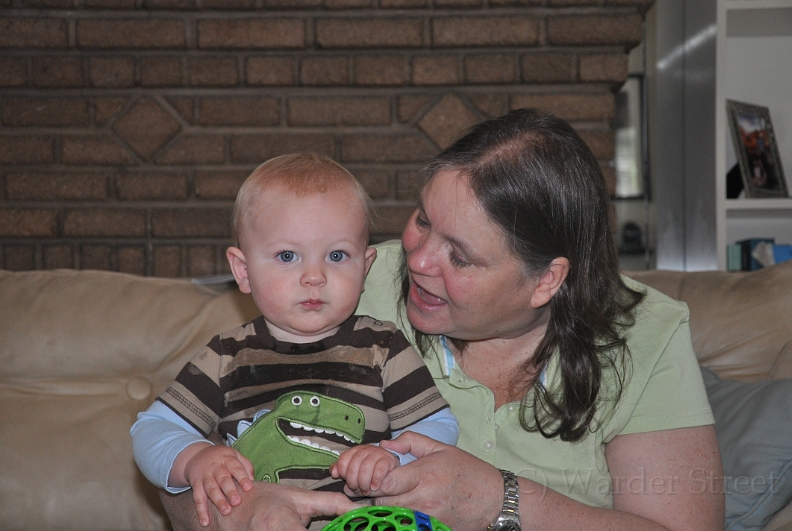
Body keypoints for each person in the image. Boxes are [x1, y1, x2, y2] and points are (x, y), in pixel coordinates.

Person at [160, 109, 725, 531]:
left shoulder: (645, 333)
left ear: (545, 281)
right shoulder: (338, 284)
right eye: (424, 220)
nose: (420, 260)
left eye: (461, 256)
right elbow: (182, 472)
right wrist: (242, 510)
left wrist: (501, 500)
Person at [131, 152, 458, 528]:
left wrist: (393, 457)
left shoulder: (382, 347)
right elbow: (150, 430)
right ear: (244, 271)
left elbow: (439, 426)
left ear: (364, 268)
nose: (314, 276)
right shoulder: (225, 356)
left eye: (337, 255)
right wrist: (194, 459)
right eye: (287, 256)